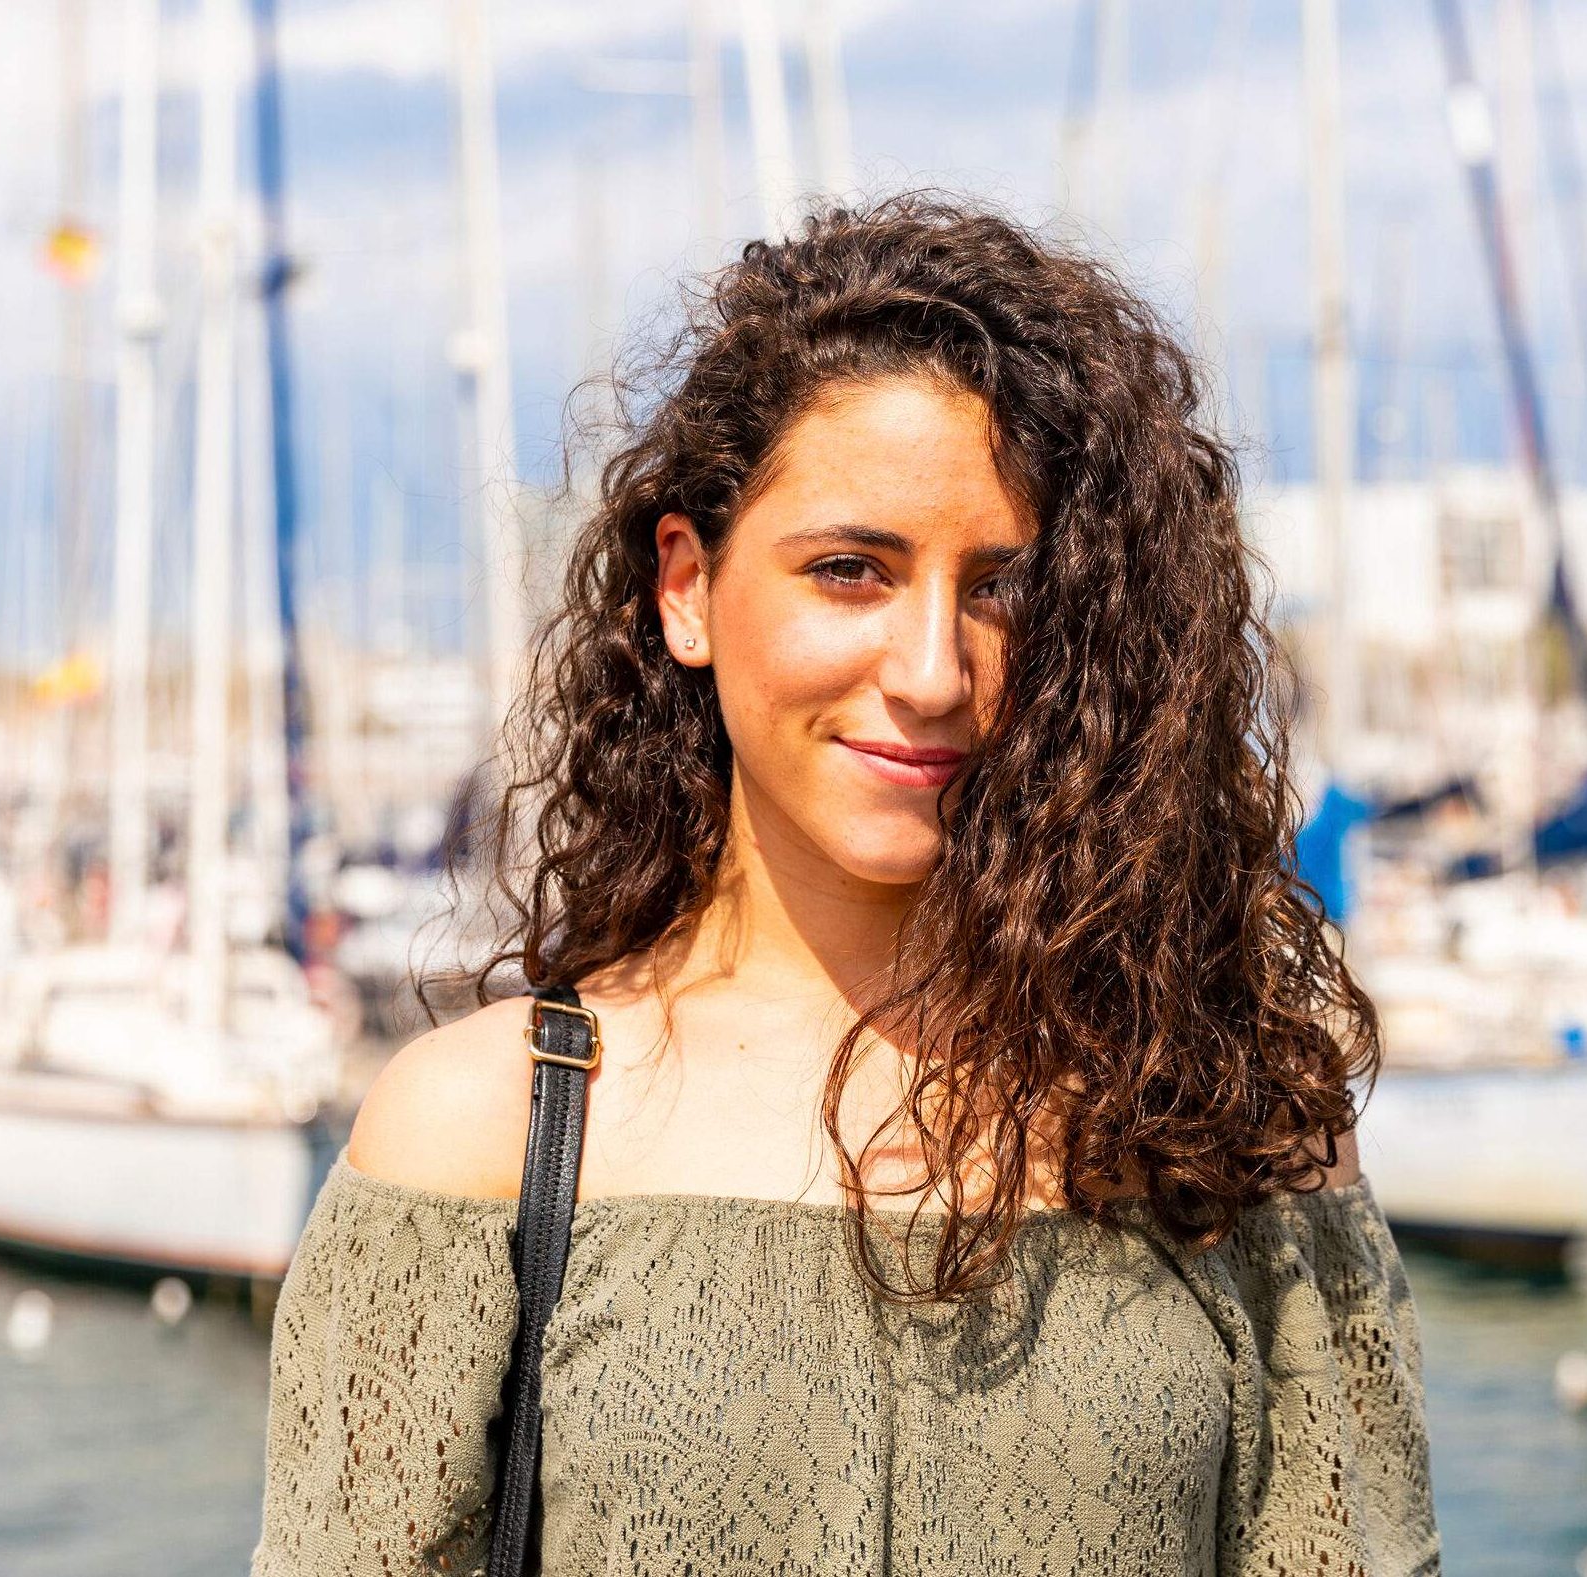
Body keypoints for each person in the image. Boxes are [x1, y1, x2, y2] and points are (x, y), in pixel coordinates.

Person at [252, 192, 1439, 1576]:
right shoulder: (484, 1134)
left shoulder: (1224, 1127)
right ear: (686, 588)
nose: (932, 669)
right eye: (851, 572)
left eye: (999, 589)